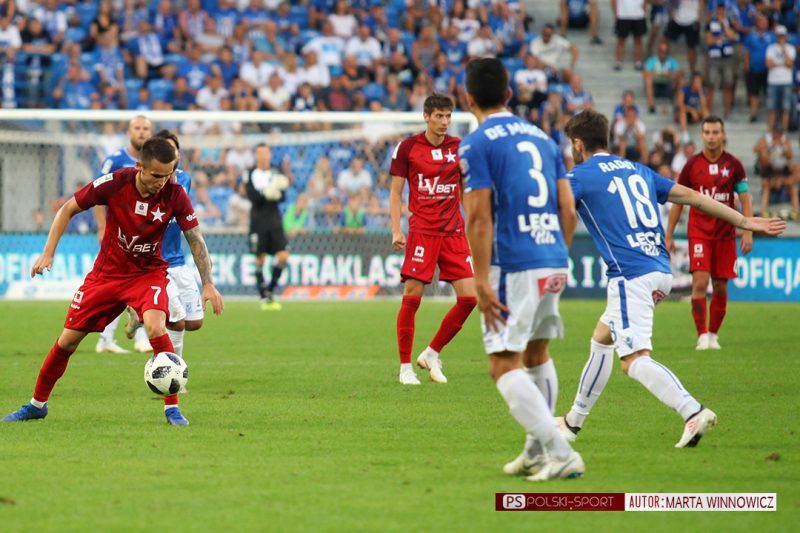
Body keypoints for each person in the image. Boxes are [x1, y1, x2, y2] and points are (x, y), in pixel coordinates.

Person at [557, 109, 785, 448]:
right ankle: (572, 423)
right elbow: (694, 197)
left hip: (629, 275)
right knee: (602, 337)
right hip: (660, 270)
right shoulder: (637, 169)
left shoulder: (578, 177)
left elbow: (551, 206)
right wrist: (744, 221)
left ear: (578, 144)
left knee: (634, 361)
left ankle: (692, 411)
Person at [2, 137, 225, 426]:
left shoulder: (175, 193)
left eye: (168, 174)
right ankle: (37, 405)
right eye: (156, 175)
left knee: (156, 325)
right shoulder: (116, 182)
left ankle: (172, 409)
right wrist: (48, 253)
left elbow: (195, 238)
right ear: (139, 166)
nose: (162, 182)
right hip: (107, 275)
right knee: (68, 340)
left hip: (147, 274)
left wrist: (208, 282)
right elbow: (67, 209)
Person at [459, 58, 581, 481]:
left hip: (512, 262)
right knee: (536, 354)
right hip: (553, 256)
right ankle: (535, 451)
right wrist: (556, 255)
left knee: (503, 364)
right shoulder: (544, 139)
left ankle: (560, 452)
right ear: (509, 94)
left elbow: (479, 218)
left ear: (468, 98)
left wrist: (479, 279)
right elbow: (568, 209)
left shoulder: (476, 144)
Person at [389, 93, 477, 385]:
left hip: (453, 232)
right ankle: (405, 368)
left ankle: (431, 352)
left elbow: (465, 191)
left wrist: (473, 227)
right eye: (439, 116)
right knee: (412, 296)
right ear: (426, 117)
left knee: (469, 298)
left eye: (448, 116)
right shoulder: (408, 148)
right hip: (423, 232)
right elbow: (395, 192)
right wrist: (396, 229)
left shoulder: (459, 148)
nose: (444, 122)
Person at [665, 116, 752, 351]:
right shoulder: (691, 165)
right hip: (699, 233)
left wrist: (747, 231)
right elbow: (678, 201)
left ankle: (713, 334)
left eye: (715, 132)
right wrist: (669, 234)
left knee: (721, 285)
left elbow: (745, 198)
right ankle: (701, 335)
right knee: (700, 282)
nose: (711, 137)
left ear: (723, 135)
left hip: (725, 234)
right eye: (707, 132)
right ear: (702, 135)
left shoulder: (734, 165)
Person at [94, 115, 154, 354]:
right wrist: (101, 227)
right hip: (118, 235)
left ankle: (114, 338)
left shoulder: (155, 162)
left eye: (146, 128)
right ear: (129, 132)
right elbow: (97, 195)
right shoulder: (115, 161)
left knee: (137, 285)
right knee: (123, 286)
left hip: (144, 235)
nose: (141, 132)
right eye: (137, 128)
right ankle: (120, 337)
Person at [244, 144, 291, 311]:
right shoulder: (250, 173)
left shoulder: (276, 171)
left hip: (275, 220)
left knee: (283, 256)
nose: (263, 156)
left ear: (270, 154)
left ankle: (269, 290)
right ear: (256, 155)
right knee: (260, 259)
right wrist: (267, 193)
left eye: (265, 153)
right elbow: (252, 196)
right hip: (258, 221)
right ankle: (263, 295)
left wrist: (277, 193)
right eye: (260, 153)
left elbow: (283, 195)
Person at [612, 0, 647, 71]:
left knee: (638, 40)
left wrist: (644, 10)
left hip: (638, 15)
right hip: (623, 15)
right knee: (621, 40)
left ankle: (638, 62)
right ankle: (618, 62)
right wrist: (615, 13)